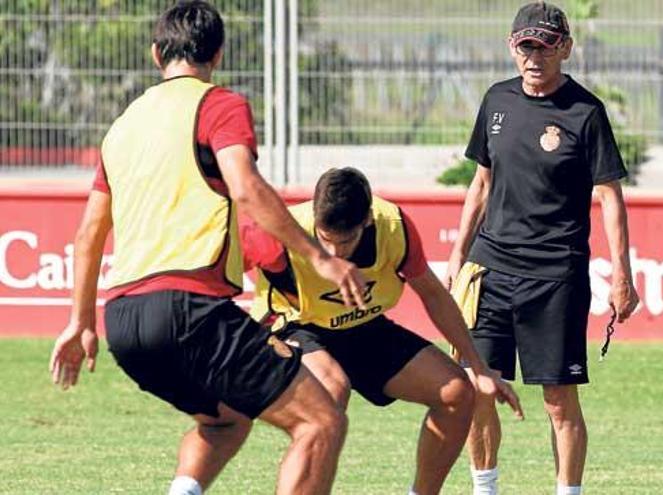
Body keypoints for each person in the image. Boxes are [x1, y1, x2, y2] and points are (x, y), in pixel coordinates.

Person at [48, 3, 367, 494]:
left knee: (225, 421)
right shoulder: (219, 105)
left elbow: (89, 232)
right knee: (321, 420)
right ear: (218, 53)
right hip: (189, 310)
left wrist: (80, 321)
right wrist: (321, 257)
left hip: (126, 324)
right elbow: (245, 187)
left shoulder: (123, 127)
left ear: (157, 54)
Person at [444, 3, 641, 495]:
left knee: (558, 399)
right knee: (477, 387)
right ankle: (484, 489)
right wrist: (458, 255)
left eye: (544, 46)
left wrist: (622, 276)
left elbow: (610, 198)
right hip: (489, 272)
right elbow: (482, 183)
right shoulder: (496, 101)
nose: (533, 57)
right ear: (513, 48)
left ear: (565, 49)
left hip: (555, 275)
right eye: (524, 46)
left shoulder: (585, 112)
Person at [243, 167, 524, 495]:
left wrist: (479, 366)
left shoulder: (393, 227)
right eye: (325, 240)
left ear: (366, 222)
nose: (334, 254)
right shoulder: (283, 228)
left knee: (457, 392)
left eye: (345, 242)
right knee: (330, 392)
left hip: (363, 328)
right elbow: (224, 265)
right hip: (298, 327)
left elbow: (433, 295)